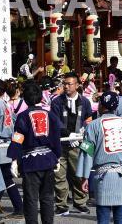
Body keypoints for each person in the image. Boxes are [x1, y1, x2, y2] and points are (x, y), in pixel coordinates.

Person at [77, 92, 122, 224]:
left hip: (103, 176)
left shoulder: (93, 125)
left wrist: (84, 176)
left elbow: (87, 151)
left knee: (103, 215)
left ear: (101, 105)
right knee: (120, 215)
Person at [7, 83, 62, 224]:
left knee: (31, 198)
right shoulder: (50, 115)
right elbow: (56, 137)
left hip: (30, 161)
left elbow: (18, 137)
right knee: (48, 197)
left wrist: (14, 159)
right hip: (48, 159)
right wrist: (57, 156)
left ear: (25, 99)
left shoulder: (23, 116)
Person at [50, 72, 93, 215]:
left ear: (77, 85)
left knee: (78, 173)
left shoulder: (85, 102)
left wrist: (82, 134)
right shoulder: (57, 102)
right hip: (61, 143)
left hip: (78, 144)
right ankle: (61, 204)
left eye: (69, 84)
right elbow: (55, 123)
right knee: (59, 175)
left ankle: (80, 202)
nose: (66, 86)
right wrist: (69, 134)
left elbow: (89, 120)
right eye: (65, 84)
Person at [0, 79, 23, 219]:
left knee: (2, 178)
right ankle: (0, 204)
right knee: (5, 177)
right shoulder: (5, 104)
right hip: (7, 143)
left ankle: (17, 207)